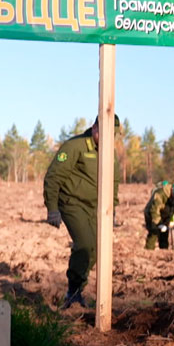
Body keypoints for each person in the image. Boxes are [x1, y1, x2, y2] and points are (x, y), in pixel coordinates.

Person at [42, 114, 119, 309]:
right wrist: (52, 209)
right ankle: (73, 292)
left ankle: (77, 289)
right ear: (95, 128)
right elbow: (53, 177)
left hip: (97, 208)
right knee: (85, 243)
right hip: (72, 203)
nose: (108, 139)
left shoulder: (109, 152)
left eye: (113, 135)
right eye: (105, 133)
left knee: (97, 248)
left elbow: (114, 182)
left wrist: (113, 209)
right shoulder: (75, 146)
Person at [143, 182, 174, 250]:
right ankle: (149, 251)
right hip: (152, 213)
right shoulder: (160, 194)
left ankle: (164, 252)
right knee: (154, 232)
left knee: (164, 234)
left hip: (166, 214)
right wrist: (159, 223)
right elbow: (154, 210)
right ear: (172, 190)